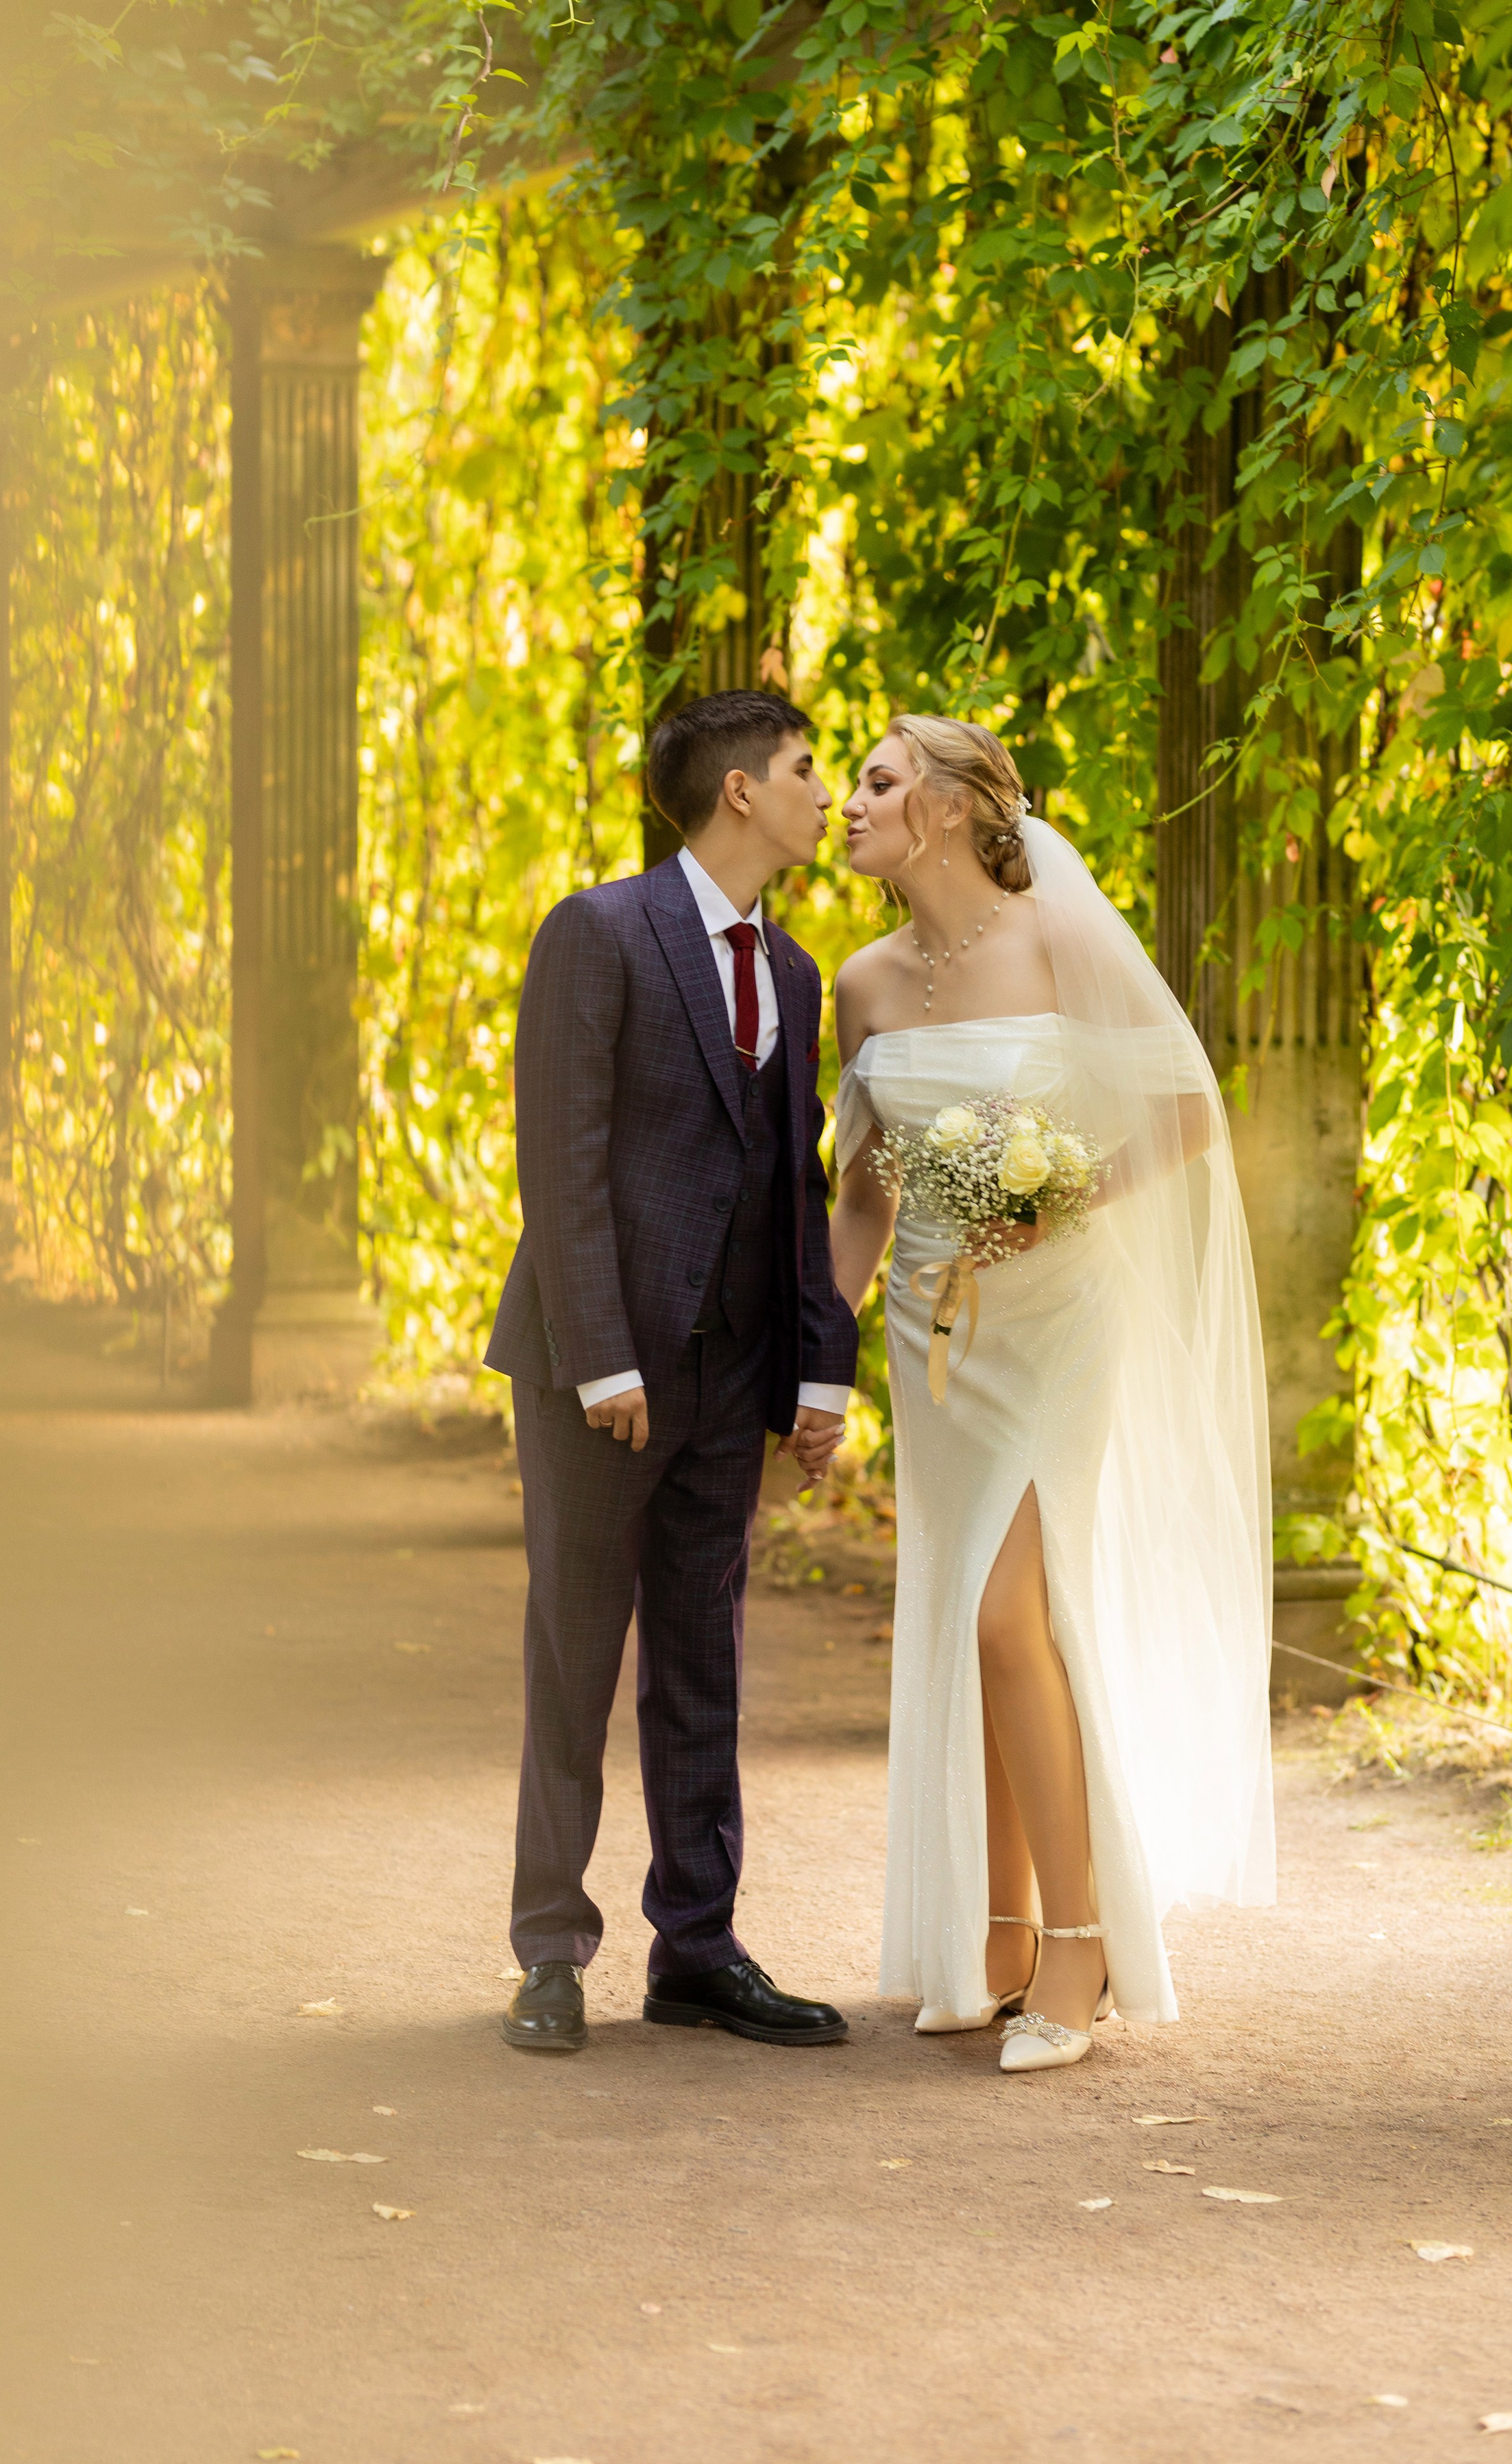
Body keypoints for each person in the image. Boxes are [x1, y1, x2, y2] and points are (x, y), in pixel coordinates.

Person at [828, 715, 1273, 2073]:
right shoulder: (860, 981)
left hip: (1056, 1314)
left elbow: (1185, 1108)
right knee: (965, 1619)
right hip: (930, 1331)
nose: (850, 804)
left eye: (876, 781)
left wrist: (1058, 1191)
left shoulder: (1057, 940)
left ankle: (1078, 1955)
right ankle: (998, 1937)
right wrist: (806, 1365)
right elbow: (858, 1188)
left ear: (952, 810)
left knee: (1013, 1613)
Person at [486, 690, 860, 2056]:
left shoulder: (797, 970)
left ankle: (695, 1951)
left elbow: (796, 1185)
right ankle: (548, 1955)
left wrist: (821, 1372)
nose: (827, 794)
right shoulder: (599, 933)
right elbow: (560, 1160)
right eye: (810, 769)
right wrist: (600, 1361)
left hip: (731, 1378)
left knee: (703, 1669)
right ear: (741, 793)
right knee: (574, 1661)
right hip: (601, 1376)